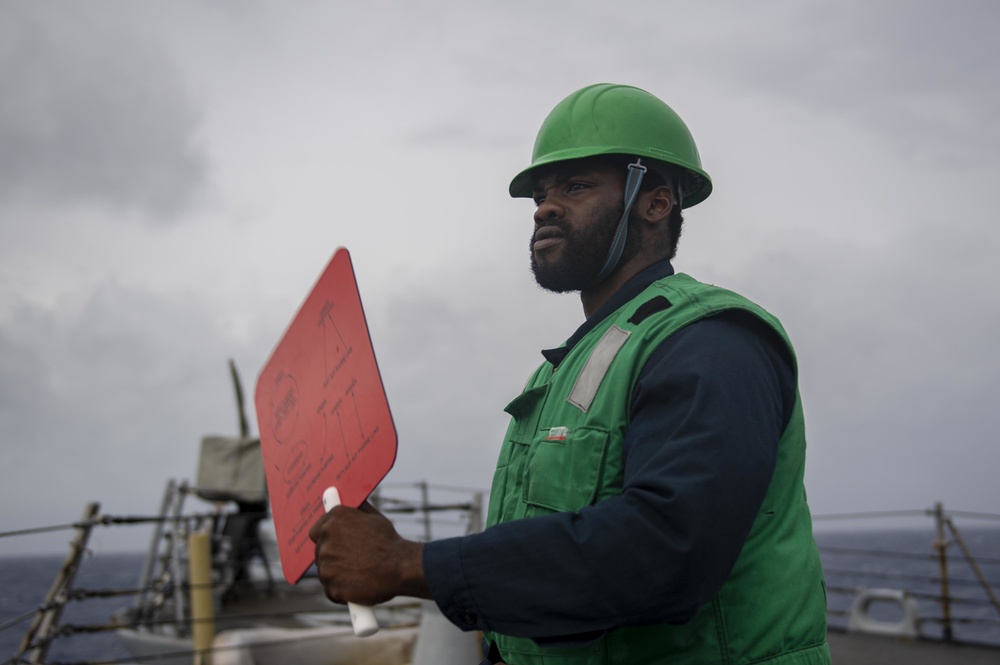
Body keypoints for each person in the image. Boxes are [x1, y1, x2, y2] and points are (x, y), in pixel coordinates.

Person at [309, 83, 831, 665]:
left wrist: (406, 564)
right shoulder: (561, 371)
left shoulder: (710, 340)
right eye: (540, 193)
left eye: (576, 186)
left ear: (655, 202)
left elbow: (667, 551)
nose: (544, 207)